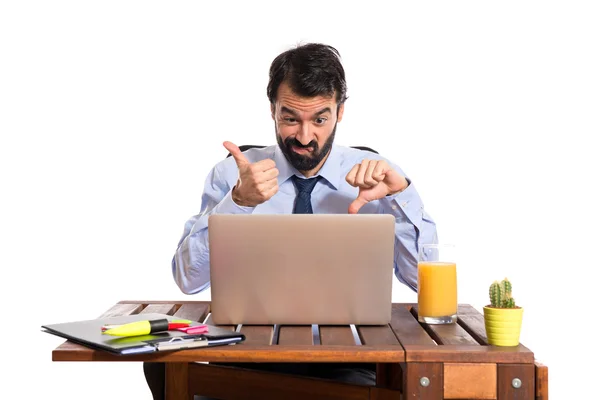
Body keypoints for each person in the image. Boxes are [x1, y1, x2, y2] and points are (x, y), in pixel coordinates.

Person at [144, 43, 437, 399]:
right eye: (290, 118)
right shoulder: (234, 175)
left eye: (320, 119)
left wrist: (399, 194)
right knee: (162, 367)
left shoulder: (376, 176)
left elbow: (424, 283)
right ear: (272, 111)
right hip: (245, 357)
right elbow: (187, 280)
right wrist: (237, 202)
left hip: (351, 360)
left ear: (340, 112)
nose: (304, 137)